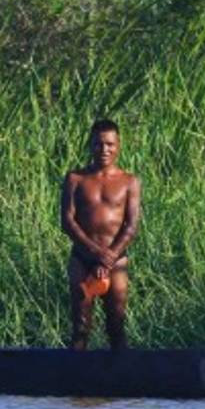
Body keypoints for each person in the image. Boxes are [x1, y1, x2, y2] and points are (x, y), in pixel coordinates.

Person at [59, 119, 142, 350]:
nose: (104, 150)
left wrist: (109, 257)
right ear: (90, 145)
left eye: (109, 144)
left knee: (116, 324)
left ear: (118, 145)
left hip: (116, 261)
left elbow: (131, 225)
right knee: (81, 326)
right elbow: (67, 221)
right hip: (83, 259)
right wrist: (96, 254)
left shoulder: (130, 181)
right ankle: (75, 380)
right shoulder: (75, 178)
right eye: (98, 144)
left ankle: (122, 380)